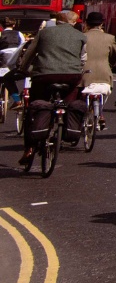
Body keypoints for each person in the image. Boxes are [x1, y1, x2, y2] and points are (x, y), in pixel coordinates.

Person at [17, 9, 85, 166]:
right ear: (74, 22)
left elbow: (30, 54)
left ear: (57, 21)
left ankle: (30, 148)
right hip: (71, 76)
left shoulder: (44, 33)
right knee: (69, 103)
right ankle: (66, 126)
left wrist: (23, 69)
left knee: (34, 108)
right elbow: (83, 59)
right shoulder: (81, 36)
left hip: (45, 75)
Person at [79, 11, 116, 129]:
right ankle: (100, 114)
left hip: (85, 72)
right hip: (104, 72)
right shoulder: (110, 37)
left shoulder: (82, 36)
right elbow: (114, 56)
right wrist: (109, 65)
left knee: (80, 94)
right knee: (102, 92)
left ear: (87, 23)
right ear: (101, 24)